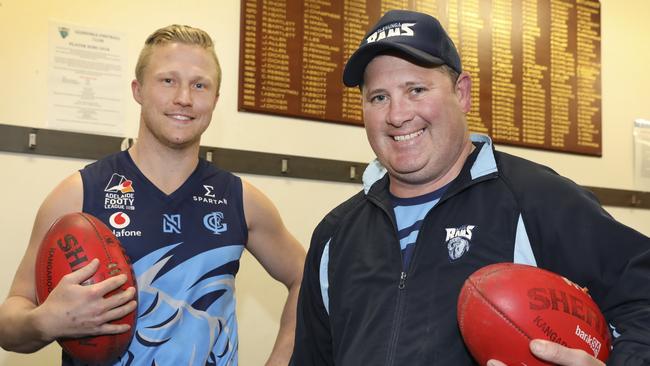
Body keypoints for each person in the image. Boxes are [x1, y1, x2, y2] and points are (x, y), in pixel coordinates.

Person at [291, 9, 650, 366]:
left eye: (416, 90)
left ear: (462, 93)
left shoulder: (536, 200)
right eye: (378, 97)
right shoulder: (335, 235)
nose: (397, 115)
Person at [0, 24, 306, 366]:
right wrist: (45, 320)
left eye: (200, 85)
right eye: (168, 80)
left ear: (215, 99)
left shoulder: (241, 200)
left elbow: (306, 276)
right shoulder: (78, 194)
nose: (184, 98)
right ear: (138, 90)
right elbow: (9, 325)